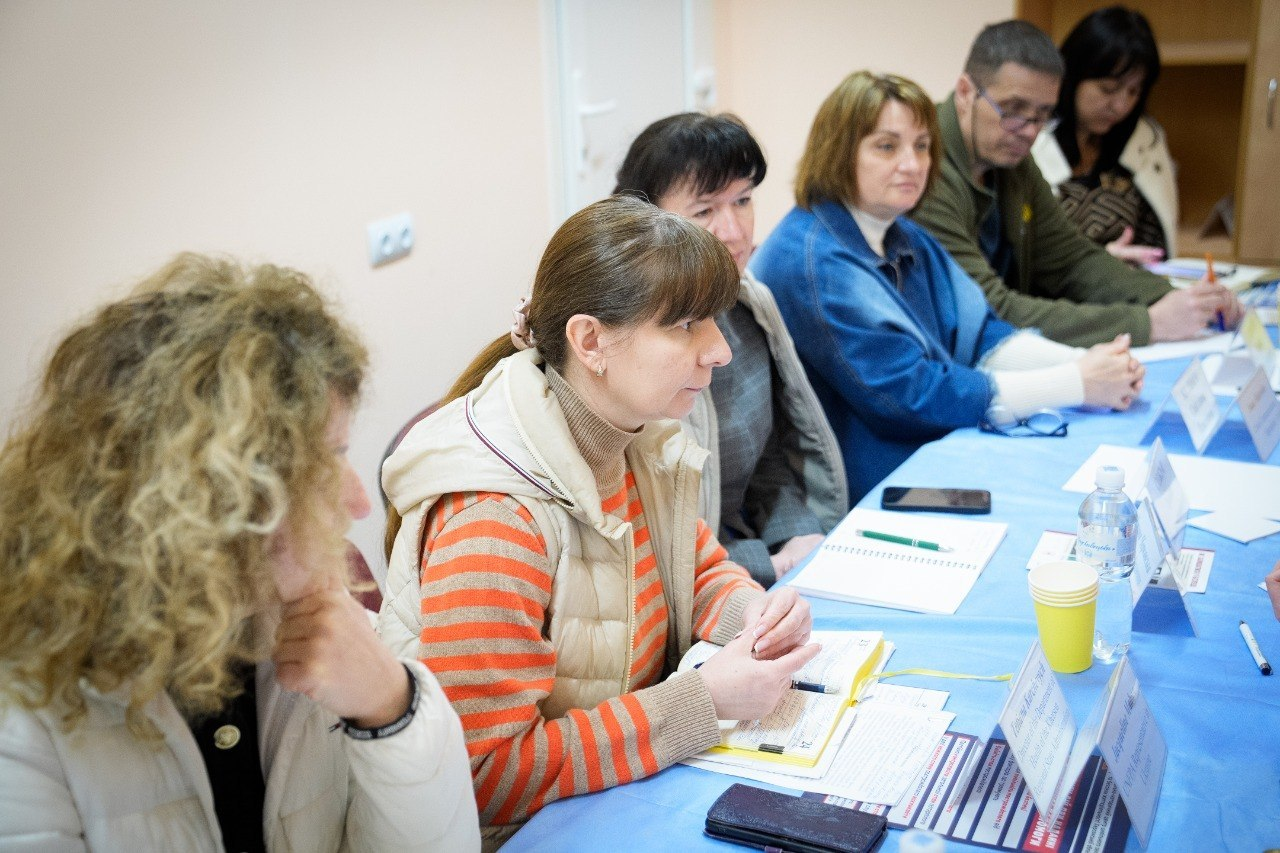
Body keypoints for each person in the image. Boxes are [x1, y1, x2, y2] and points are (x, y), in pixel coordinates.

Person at [379, 195, 818, 848]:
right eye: (687, 325)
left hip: (614, 793)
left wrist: (751, 614)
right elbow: (480, 776)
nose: (721, 351)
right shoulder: (494, 522)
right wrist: (704, 701)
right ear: (590, 342)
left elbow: (693, 567)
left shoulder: (633, 434)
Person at [0, 254, 479, 851]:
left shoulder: (322, 619)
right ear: (209, 495)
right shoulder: (25, 711)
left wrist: (392, 709)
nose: (359, 501)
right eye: (328, 459)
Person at [750, 71, 1144, 502]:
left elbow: (981, 333)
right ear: (838, 154)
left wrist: (1090, 364)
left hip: (932, 456)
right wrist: (1077, 381)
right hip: (868, 492)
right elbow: (914, 396)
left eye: (922, 146)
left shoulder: (903, 233)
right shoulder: (813, 263)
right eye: (887, 146)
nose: (912, 164)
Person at [613, 112, 848, 586]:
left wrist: (797, 535)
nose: (735, 230)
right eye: (704, 211)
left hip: (747, 562)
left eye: (742, 200)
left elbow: (767, 460)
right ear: (645, 220)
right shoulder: (630, 343)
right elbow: (641, 531)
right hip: (678, 587)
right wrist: (762, 564)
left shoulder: (747, 305)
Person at [911, 19, 1241, 348]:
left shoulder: (1012, 160)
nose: (1029, 131)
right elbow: (990, 311)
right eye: (1013, 110)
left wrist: (1185, 301)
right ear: (966, 92)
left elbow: (1071, 259)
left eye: (1042, 115)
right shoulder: (921, 170)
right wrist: (1148, 323)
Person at [1031, 6, 1174, 265]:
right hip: (1060, 286)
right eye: (1108, 89)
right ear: (1072, 76)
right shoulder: (1032, 137)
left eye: (1134, 91)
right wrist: (1101, 262)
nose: (1121, 106)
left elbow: (1157, 245)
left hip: (1132, 283)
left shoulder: (1144, 140)